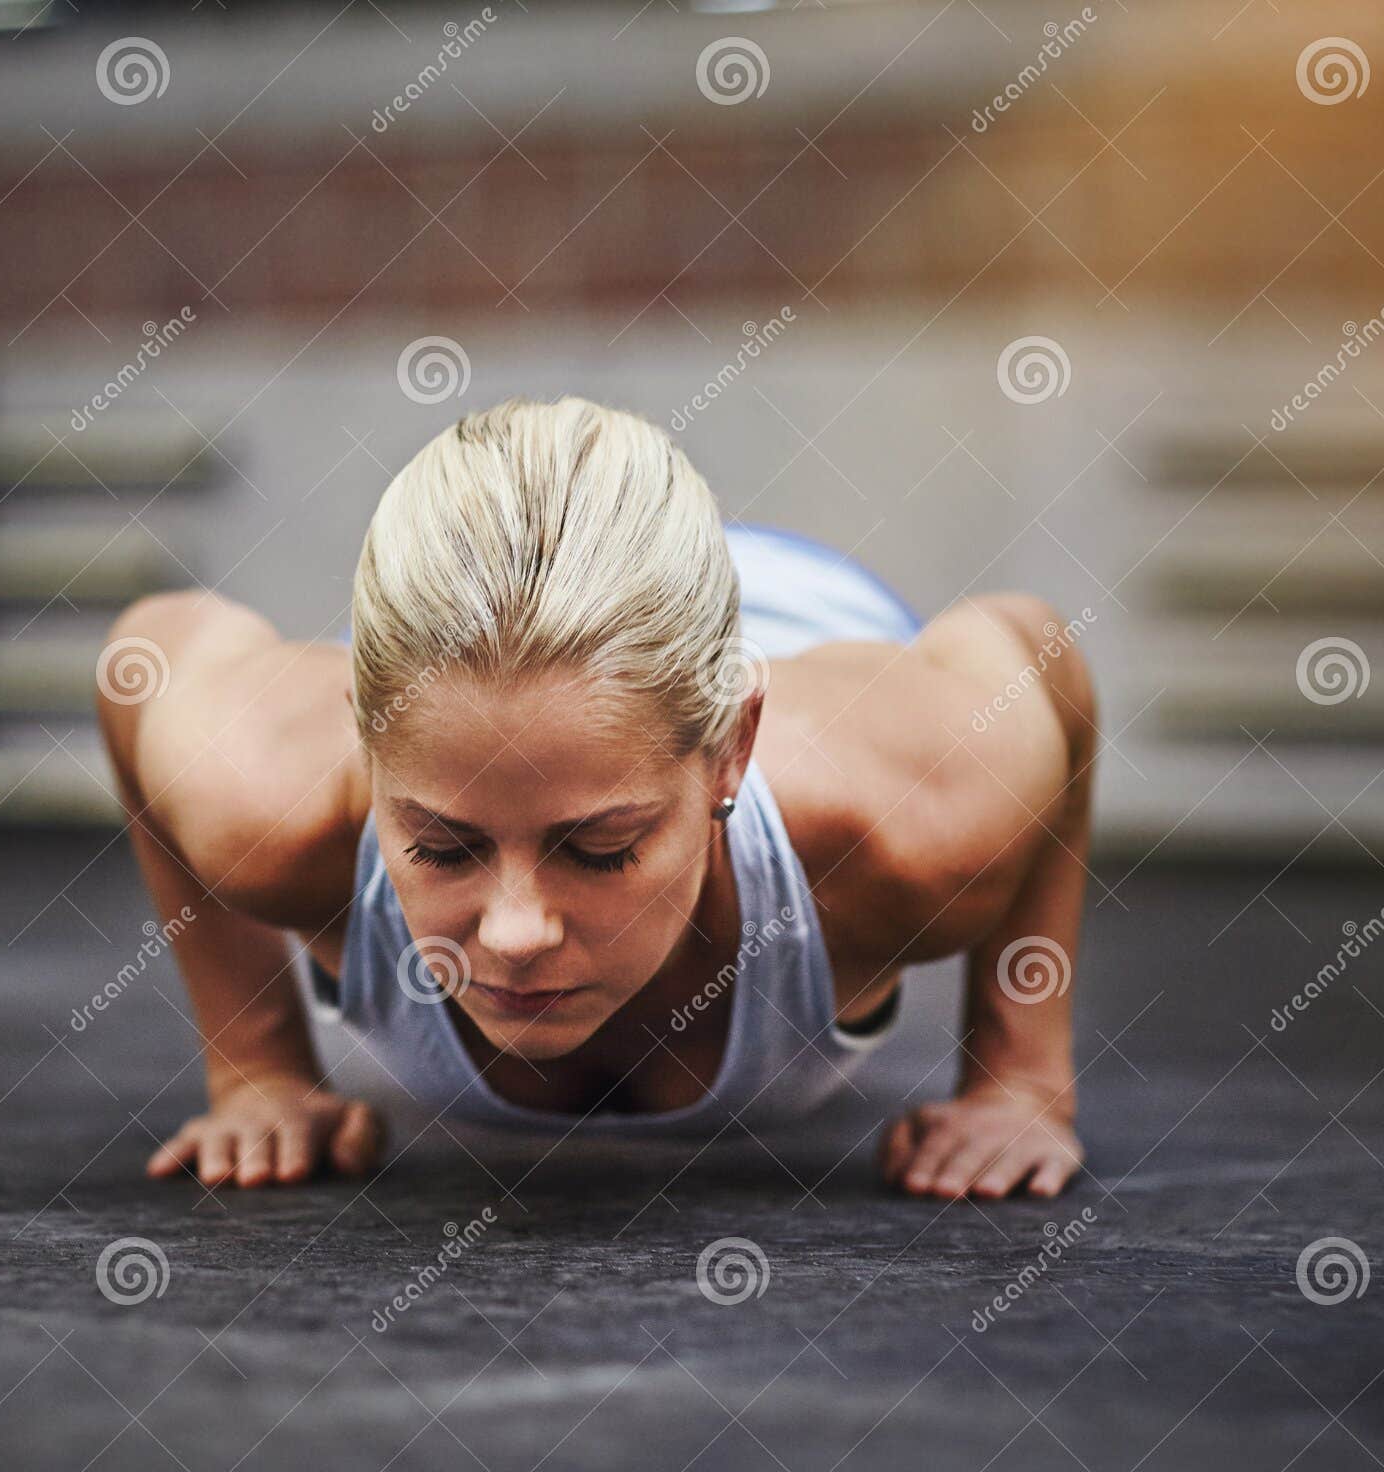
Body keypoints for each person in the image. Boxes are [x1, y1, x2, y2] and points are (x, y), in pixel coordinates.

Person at [97, 397, 1095, 1200]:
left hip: (793, 614)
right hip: (503, 663)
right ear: (363, 741)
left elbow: (1039, 652)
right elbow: (143, 653)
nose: (518, 933)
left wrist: (1020, 1081)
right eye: (444, 848)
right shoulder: (269, 802)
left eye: (602, 847)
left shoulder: (908, 818)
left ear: (731, 754)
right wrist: (258, 1068)